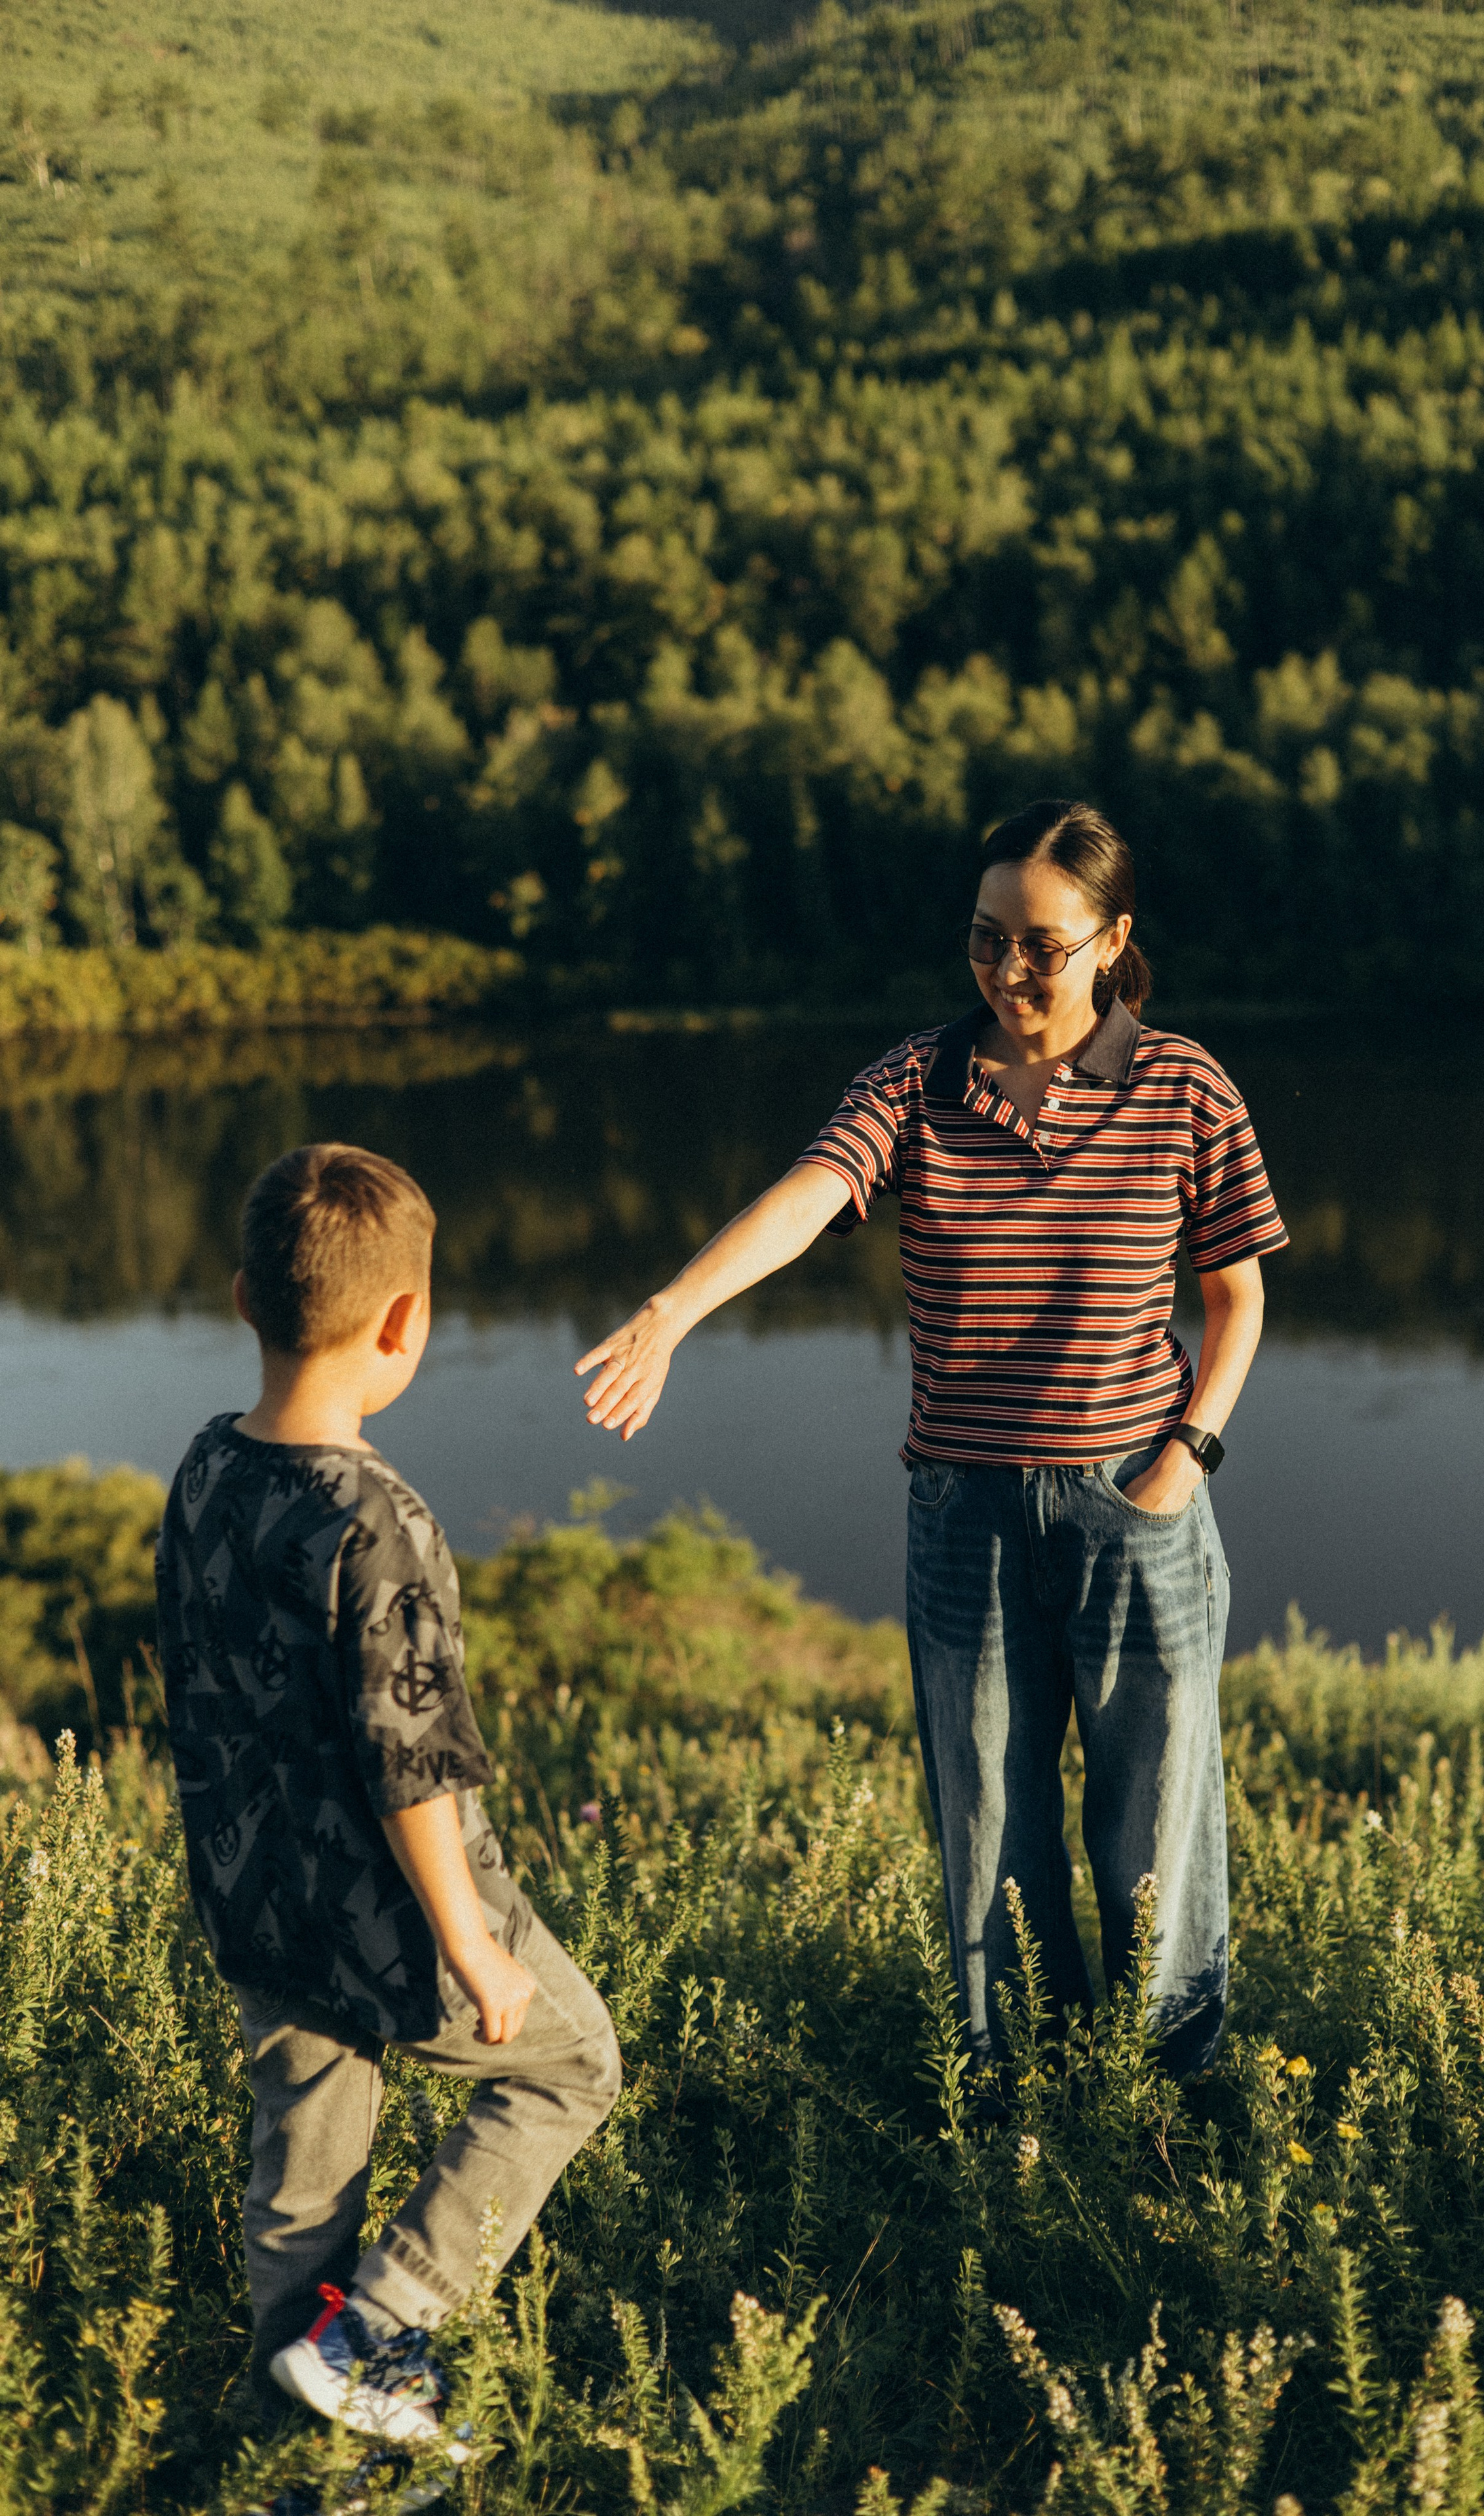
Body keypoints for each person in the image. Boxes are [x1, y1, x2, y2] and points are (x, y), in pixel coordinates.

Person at [576, 799, 1287, 2078]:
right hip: (963, 1517)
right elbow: (809, 1195)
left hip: (1137, 1505)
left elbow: (1235, 1295)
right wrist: (670, 1309)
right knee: (988, 1833)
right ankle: (1014, 2097)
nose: (1008, 972)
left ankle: (1164, 2096)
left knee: (1154, 1830)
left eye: (1041, 945)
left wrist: (1186, 1458)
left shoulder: (1182, 1083)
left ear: (1112, 939)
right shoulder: (916, 1081)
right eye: (983, 939)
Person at [155, 1144, 620, 2448]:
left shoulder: (203, 1469)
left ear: (246, 1298)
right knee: (571, 2065)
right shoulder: (378, 1518)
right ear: (407, 1322)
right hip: (388, 1916)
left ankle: (286, 2441)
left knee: (303, 2165)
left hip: (254, 1896)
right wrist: (472, 1942)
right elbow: (408, 1754)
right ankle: (381, 2324)